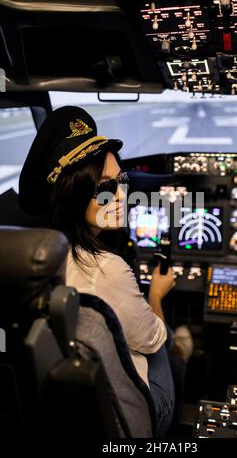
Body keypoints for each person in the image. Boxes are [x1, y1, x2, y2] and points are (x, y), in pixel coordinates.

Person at [18, 106, 192, 437]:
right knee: (169, 344)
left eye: (121, 181)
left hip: (77, 414)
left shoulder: (38, 260)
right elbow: (151, 338)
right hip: (135, 418)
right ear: (73, 194)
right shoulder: (106, 270)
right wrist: (155, 293)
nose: (122, 196)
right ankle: (183, 364)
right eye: (105, 188)